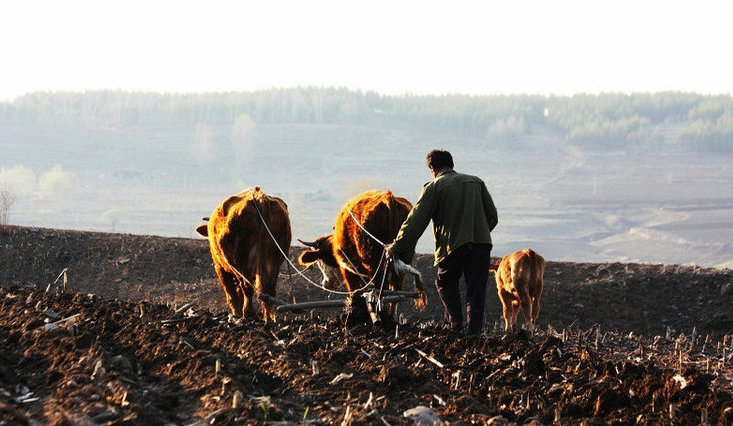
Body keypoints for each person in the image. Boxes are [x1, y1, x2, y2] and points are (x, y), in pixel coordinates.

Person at [386, 149, 498, 336]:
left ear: (432, 167)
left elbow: (415, 222)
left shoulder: (434, 187)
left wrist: (396, 247)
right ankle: (473, 333)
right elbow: (492, 216)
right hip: (481, 245)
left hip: (452, 246)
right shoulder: (476, 182)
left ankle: (456, 323)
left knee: (445, 282)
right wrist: (478, 233)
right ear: (451, 164)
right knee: (476, 290)